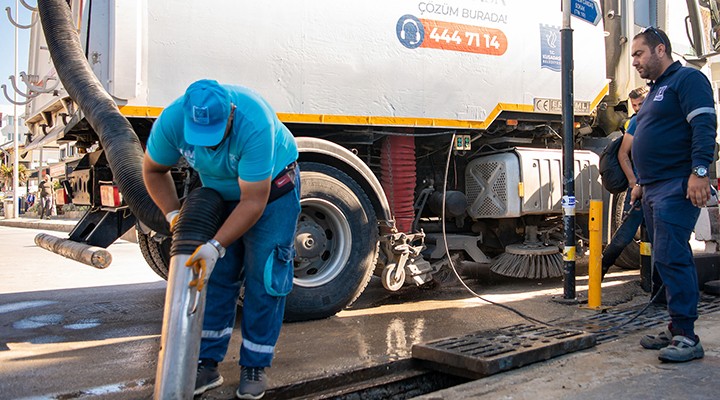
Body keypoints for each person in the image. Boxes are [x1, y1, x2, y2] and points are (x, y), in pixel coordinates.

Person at [142, 79, 300, 399]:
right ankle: (207, 362)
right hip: (219, 195)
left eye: (215, 132)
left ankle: (254, 364)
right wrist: (174, 216)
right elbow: (152, 170)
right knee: (214, 277)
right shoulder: (172, 120)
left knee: (264, 275)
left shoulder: (253, 121)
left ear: (230, 114)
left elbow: (254, 201)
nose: (209, 145)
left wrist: (216, 246)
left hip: (271, 195)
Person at [630, 27, 717, 363]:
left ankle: (687, 337)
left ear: (660, 50)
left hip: (676, 184)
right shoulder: (656, 90)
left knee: (671, 255)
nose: (635, 61)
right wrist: (640, 181)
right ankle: (675, 325)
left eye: (639, 54)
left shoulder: (687, 80)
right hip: (653, 186)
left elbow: (704, 125)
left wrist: (699, 172)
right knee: (662, 260)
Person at [601, 86, 648, 279]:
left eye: (641, 104)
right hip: (640, 187)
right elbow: (623, 154)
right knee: (627, 231)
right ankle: (601, 268)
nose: (637, 108)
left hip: (655, 186)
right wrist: (632, 182)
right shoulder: (637, 122)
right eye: (634, 105)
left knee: (655, 236)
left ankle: (651, 282)